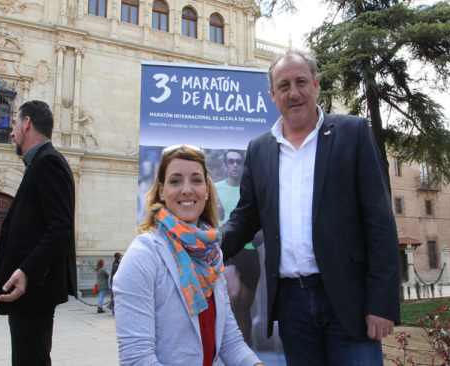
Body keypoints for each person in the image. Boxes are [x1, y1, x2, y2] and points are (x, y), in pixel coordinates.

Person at [222, 51, 400, 365]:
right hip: (292, 305)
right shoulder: (259, 149)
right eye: (284, 85)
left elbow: (379, 222)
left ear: (316, 85)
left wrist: (382, 303)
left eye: (301, 82)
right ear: (272, 95)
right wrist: (208, 246)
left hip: (349, 300)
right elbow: (246, 216)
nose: (294, 93)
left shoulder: (353, 134)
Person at [113, 145, 263, 366]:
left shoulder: (211, 254)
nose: (187, 189)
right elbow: (137, 359)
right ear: (161, 191)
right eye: (175, 181)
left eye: (196, 180)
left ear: (207, 190)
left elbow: (230, 342)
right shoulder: (143, 256)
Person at [0, 100, 77, 366]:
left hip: (33, 292)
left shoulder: (49, 162)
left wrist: (27, 270)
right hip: (26, 294)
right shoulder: (39, 163)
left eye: (14, 123)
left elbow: (60, 226)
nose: (11, 132)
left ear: (27, 123)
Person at [215, 149, 260, 345]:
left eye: (238, 162)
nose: (235, 165)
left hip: (250, 251)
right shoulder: (215, 189)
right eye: (231, 162)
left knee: (244, 308)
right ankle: (227, 342)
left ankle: (245, 351)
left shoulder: (251, 190)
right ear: (225, 165)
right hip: (227, 249)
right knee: (233, 293)